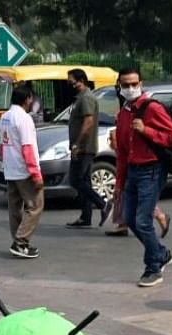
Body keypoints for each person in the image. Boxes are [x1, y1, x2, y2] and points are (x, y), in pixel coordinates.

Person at [113, 67, 172, 287]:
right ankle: (161, 253)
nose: (130, 88)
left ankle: (154, 267)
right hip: (133, 170)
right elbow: (122, 151)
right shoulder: (123, 113)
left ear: (141, 83)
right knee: (130, 218)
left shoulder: (151, 108)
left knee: (143, 221)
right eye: (125, 85)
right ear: (119, 86)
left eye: (134, 84)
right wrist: (120, 181)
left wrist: (146, 130)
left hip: (152, 169)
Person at [0, 83, 44, 258]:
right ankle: (20, 241)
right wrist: (36, 174)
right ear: (28, 99)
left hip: (10, 169)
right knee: (35, 206)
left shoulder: (5, 116)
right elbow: (27, 148)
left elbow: (3, 145)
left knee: (15, 208)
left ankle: (19, 243)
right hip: (24, 170)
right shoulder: (24, 119)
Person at [64, 68, 108, 229]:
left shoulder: (86, 98)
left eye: (71, 81)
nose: (69, 84)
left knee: (75, 180)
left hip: (84, 147)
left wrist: (77, 144)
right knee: (84, 181)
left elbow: (88, 122)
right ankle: (86, 216)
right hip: (82, 146)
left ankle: (103, 204)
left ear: (81, 80)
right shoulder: (80, 98)